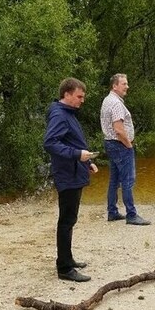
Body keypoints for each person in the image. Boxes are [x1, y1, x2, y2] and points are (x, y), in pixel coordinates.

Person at [43, 78, 99, 282]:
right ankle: (65, 269)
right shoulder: (59, 114)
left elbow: (71, 141)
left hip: (74, 170)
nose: (82, 100)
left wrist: (86, 162)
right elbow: (49, 143)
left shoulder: (68, 113)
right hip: (67, 174)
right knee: (66, 220)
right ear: (66, 94)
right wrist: (77, 154)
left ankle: (68, 259)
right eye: (79, 96)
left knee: (70, 219)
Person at [100, 73, 150, 226]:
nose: (127, 86)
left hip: (111, 144)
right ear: (114, 86)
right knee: (128, 180)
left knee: (114, 179)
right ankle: (131, 215)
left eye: (127, 83)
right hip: (120, 144)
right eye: (124, 84)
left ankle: (112, 212)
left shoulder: (108, 100)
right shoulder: (115, 103)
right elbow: (119, 129)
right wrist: (128, 144)